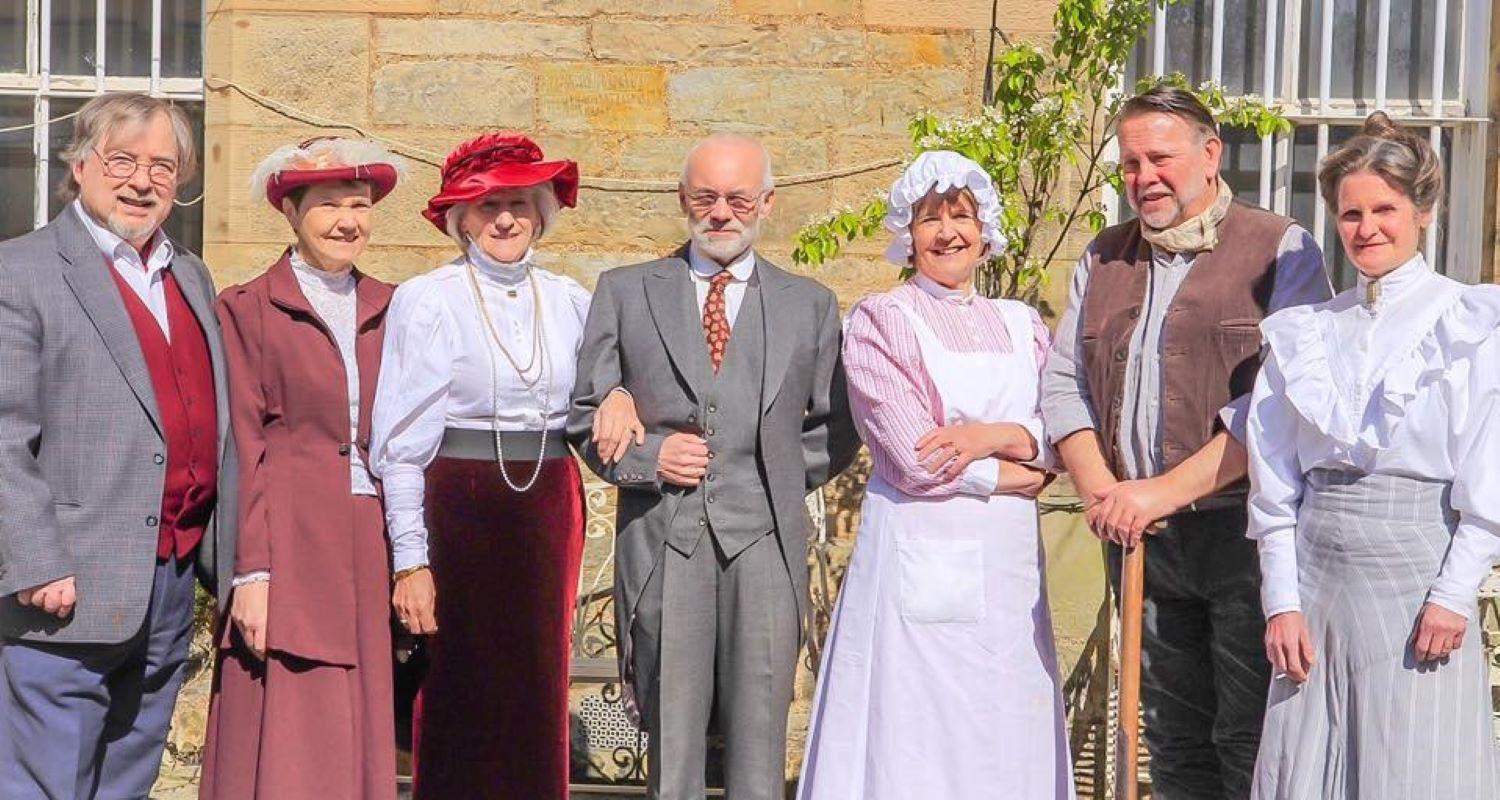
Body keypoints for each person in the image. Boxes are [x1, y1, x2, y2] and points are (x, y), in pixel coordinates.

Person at [1039, 84, 1332, 798]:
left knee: (1247, 733)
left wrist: (1159, 493)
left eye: (1160, 158)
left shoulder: (1280, 249)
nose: (1145, 178)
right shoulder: (1104, 256)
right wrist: (1106, 493)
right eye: (1131, 163)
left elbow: (1277, 408)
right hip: (1139, 540)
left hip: (1244, 535)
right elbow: (1061, 383)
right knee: (1170, 736)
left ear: (1209, 154)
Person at [567, 132, 859, 800]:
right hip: (667, 541)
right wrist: (650, 457)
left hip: (766, 544)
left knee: (761, 738)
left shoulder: (809, 304)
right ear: (682, 201)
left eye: (737, 198)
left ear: (767, 204)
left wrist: (775, 475)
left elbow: (837, 424)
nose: (721, 212)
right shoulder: (625, 291)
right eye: (706, 197)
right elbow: (585, 415)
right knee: (674, 742)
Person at [369, 132, 639, 799]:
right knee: (457, 680)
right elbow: (401, 442)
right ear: (462, 218)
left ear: (542, 212)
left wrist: (622, 393)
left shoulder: (572, 300)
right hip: (458, 502)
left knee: (537, 679)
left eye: (519, 203)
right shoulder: (430, 299)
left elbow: (608, 385)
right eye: (488, 207)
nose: (506, 220)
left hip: (546, 501)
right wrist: (411, 558)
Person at [797, 151, 1072, 799]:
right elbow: (914, 455)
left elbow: (1060, 434)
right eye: (930, 219)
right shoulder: (882, 321)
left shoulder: (1023, 325)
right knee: (919, 724)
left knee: (1005, 714)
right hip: (922, 552)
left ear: (986, 230)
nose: (948, 232)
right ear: (908, 234)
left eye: (962, 216)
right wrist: (1010, 474)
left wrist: (991, 436)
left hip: (1009, 570)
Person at [1246, 112, 1500, 799]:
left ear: (1422, 211)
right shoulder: (1305, 334)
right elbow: (1273, 490)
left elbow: (1488, 485)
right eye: (1350, 214)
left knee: (1412, 763)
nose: (1367, 229)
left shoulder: (1467, 322)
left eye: (1384, 209)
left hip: (1415, 579)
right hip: (1316, 572)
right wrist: (1282, 603)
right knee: (1306, 764)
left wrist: (1451, 596)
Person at [0, 92, 237, 798]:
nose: (142, 181)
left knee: (126, 780)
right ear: (79, 166)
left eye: (162, 166)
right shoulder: (22, 271)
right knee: (47, 783)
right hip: (62, 588)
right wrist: (36, 561)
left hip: (167, 580)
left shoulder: (189, 274)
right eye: (123, 160)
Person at [198, 136, 406, 799]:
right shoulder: (247, 308)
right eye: (329, 205)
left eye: (361, 204)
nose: (349, 220)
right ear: (291, 213)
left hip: (369, 537)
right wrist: (250, 571)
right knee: (287, 725)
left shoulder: (396, 307)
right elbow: (243, 445)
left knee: (360, 718)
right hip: (286, 541)